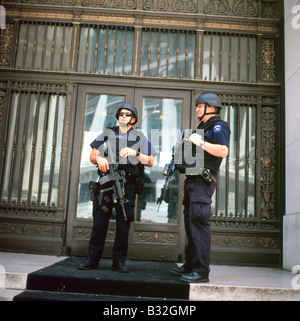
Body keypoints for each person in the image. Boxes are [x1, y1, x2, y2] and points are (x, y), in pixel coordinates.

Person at [78, 103, 156, 273]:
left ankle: (118, 261)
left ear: (133, 118)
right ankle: (92, 259)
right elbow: (93, 154)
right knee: (99, 223)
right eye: (121, 114)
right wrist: (99, 159)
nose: (123, 116)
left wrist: (134, 153)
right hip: (106, 182)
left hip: (126, 185)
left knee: (123, 224)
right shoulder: (107, 133)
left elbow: (150, 161)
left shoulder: (139, 137)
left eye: (127, 114)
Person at [169, 93, 230, 283]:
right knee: (190, 224)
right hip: (192, 181)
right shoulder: (202, 127)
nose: (196, 109)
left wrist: (200, 142)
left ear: (211, 108)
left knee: (198, 224)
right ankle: (190, 264)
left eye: (199, 106)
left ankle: (201, 271)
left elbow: (223, 150)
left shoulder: (219, 126)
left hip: (202, 182)